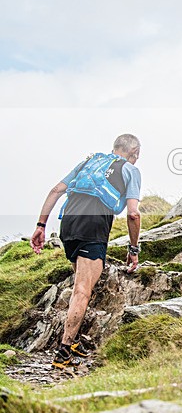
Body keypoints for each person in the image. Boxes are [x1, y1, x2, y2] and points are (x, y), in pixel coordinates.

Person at [30, 134, 142, 370]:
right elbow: (133, 214)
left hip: (68, 224)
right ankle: (63, 351)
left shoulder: (88, 162)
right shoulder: (130, 170)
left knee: (82, 284)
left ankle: (74, 341)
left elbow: (55, 190)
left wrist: (41, 226)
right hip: (94, 227)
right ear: (134, 152)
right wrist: (134, 248)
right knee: (82, 291)